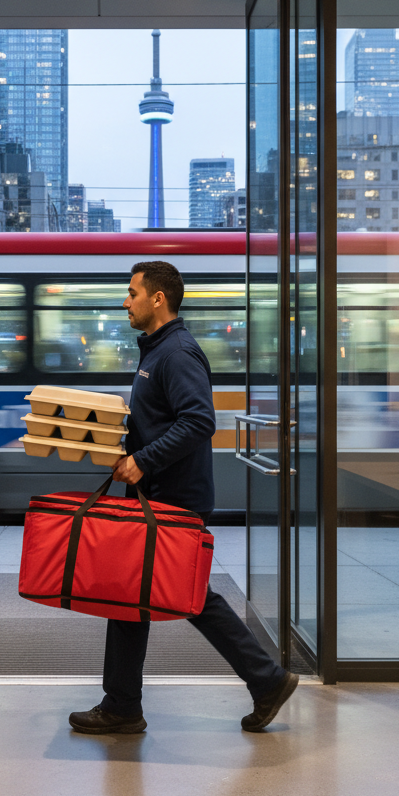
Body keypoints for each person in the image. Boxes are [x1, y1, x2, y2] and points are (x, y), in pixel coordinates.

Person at [69, 261, 299, 735]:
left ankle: (266, 680)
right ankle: (123, 704)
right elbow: (163, 420)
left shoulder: (176, 352)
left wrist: (143, 460)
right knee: (131, 596)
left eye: (132, 292)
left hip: (173, 499)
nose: (125, 301)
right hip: (157, 494)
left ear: (158, 299)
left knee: (189, 598)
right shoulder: (157, 351)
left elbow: (199, 422)